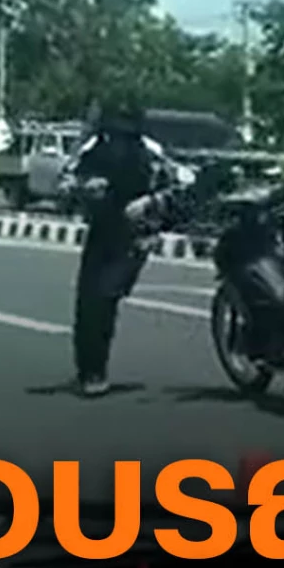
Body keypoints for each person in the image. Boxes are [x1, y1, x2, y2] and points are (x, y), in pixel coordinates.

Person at [63, 99, 173, 398]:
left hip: (127, 235)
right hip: (111, 232)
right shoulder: (102, 147)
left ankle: (93, 371)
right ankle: (92, 371)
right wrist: (85, 187)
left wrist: (149, 203)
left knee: (99, 300)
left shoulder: (143, 150)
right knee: (96, 302)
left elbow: (178, 184)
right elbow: (67, 179)